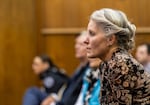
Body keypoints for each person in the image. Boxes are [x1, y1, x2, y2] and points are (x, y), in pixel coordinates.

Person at [84, 8, 150, 105]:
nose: (85, 40)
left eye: (92, 34)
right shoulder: (106, 64)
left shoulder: (120, 64)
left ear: (110, 39)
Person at [41, 31, 89, 105]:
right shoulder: (80, 68)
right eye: (76, 43)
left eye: (81, 44)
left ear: (89, 47)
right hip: (60, 99)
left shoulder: (89, 71)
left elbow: (72, 97)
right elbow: (67, 89)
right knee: (33, 92)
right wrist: (55, 97)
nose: (76, 47)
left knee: (32, 92)